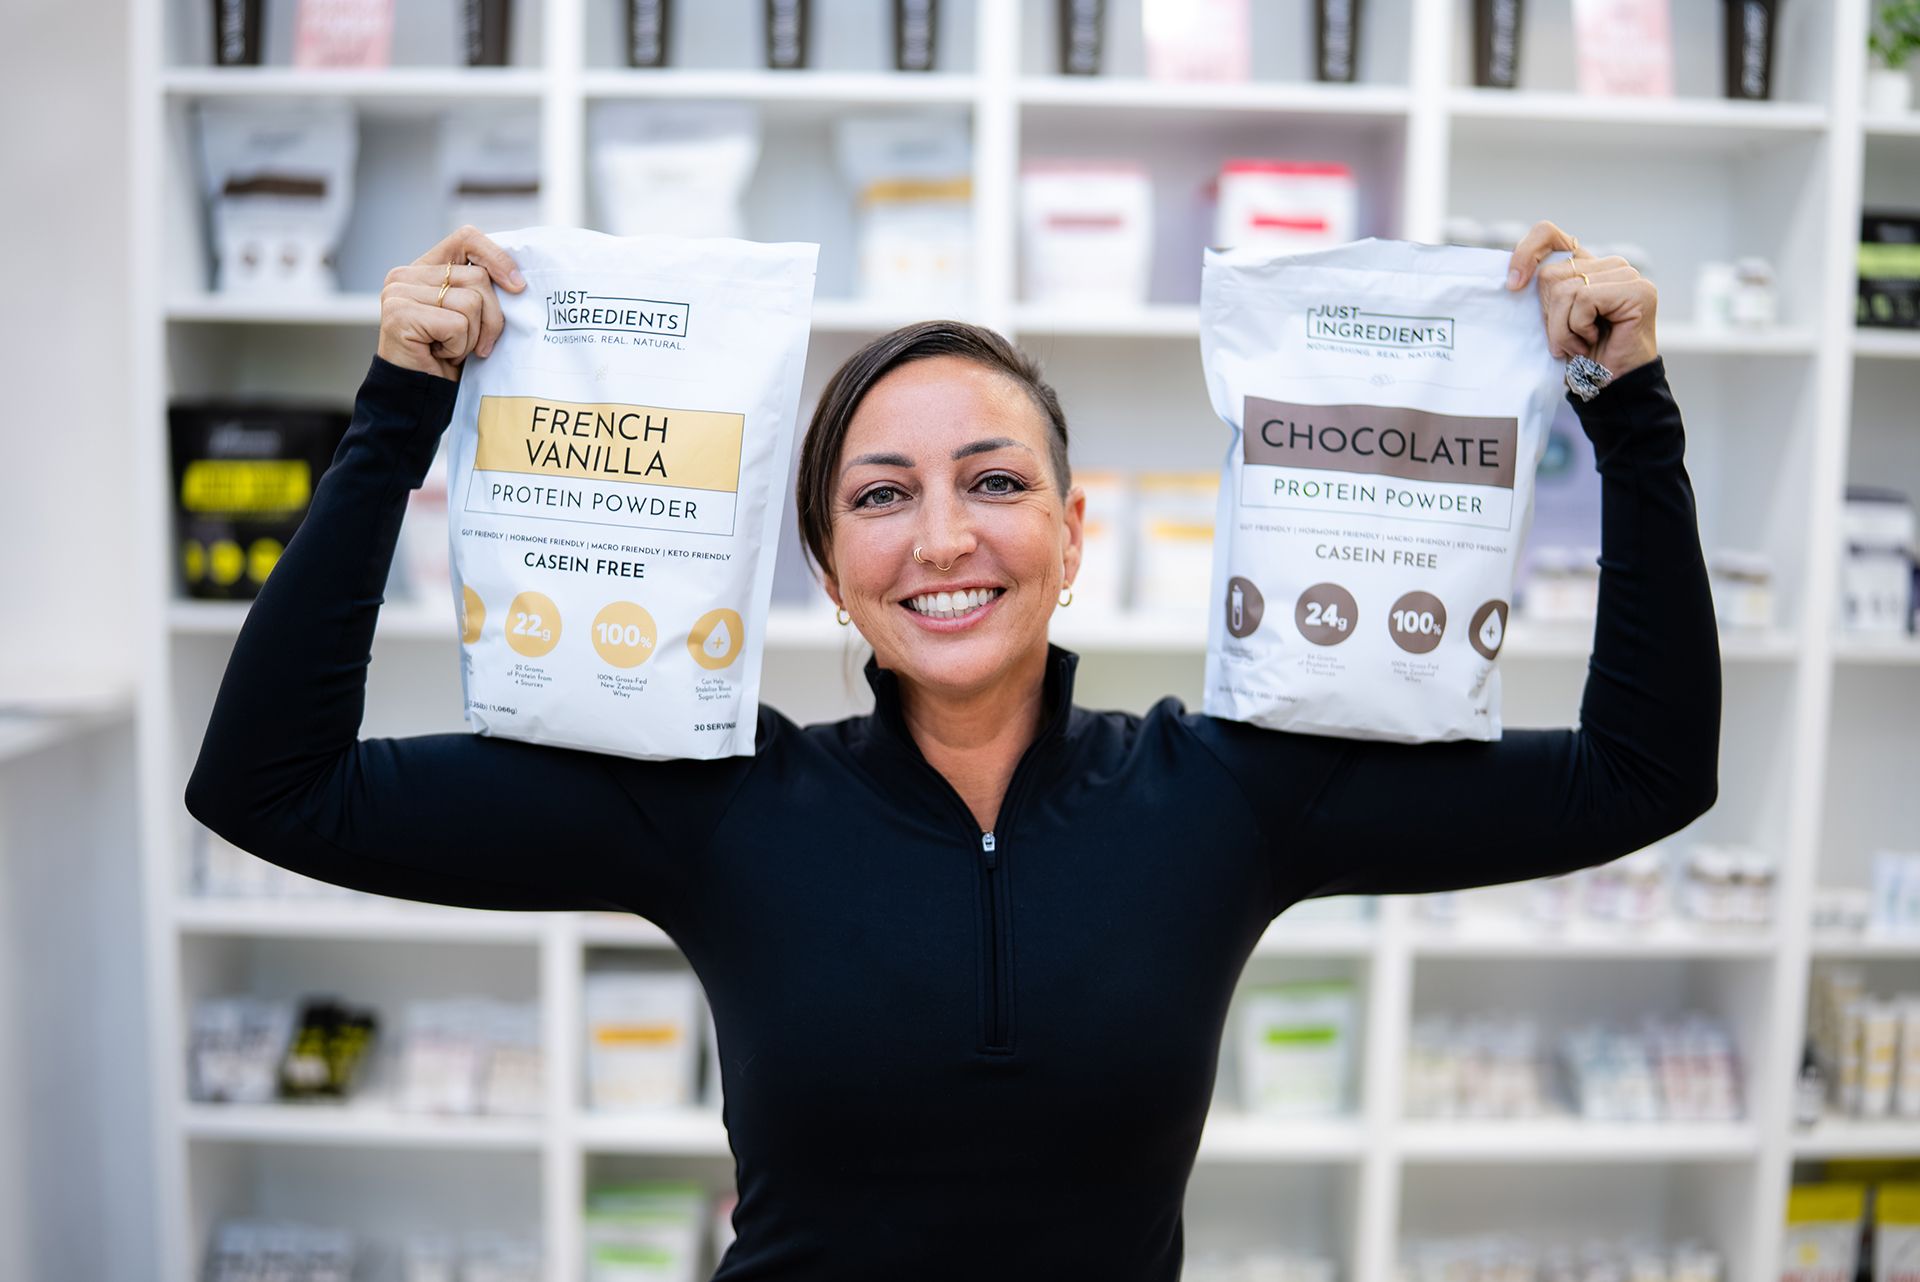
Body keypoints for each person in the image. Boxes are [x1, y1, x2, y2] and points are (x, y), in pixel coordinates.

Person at [186, 220, 1719, 1281]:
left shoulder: (1231, 792)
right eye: (877, 494)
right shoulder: (714, 803)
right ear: (823, 560)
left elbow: (1641, 773)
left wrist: (1624, 404)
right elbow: (274, 786)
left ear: (1070, 532)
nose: (941, 536)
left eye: (992, 481)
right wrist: (402, 414)